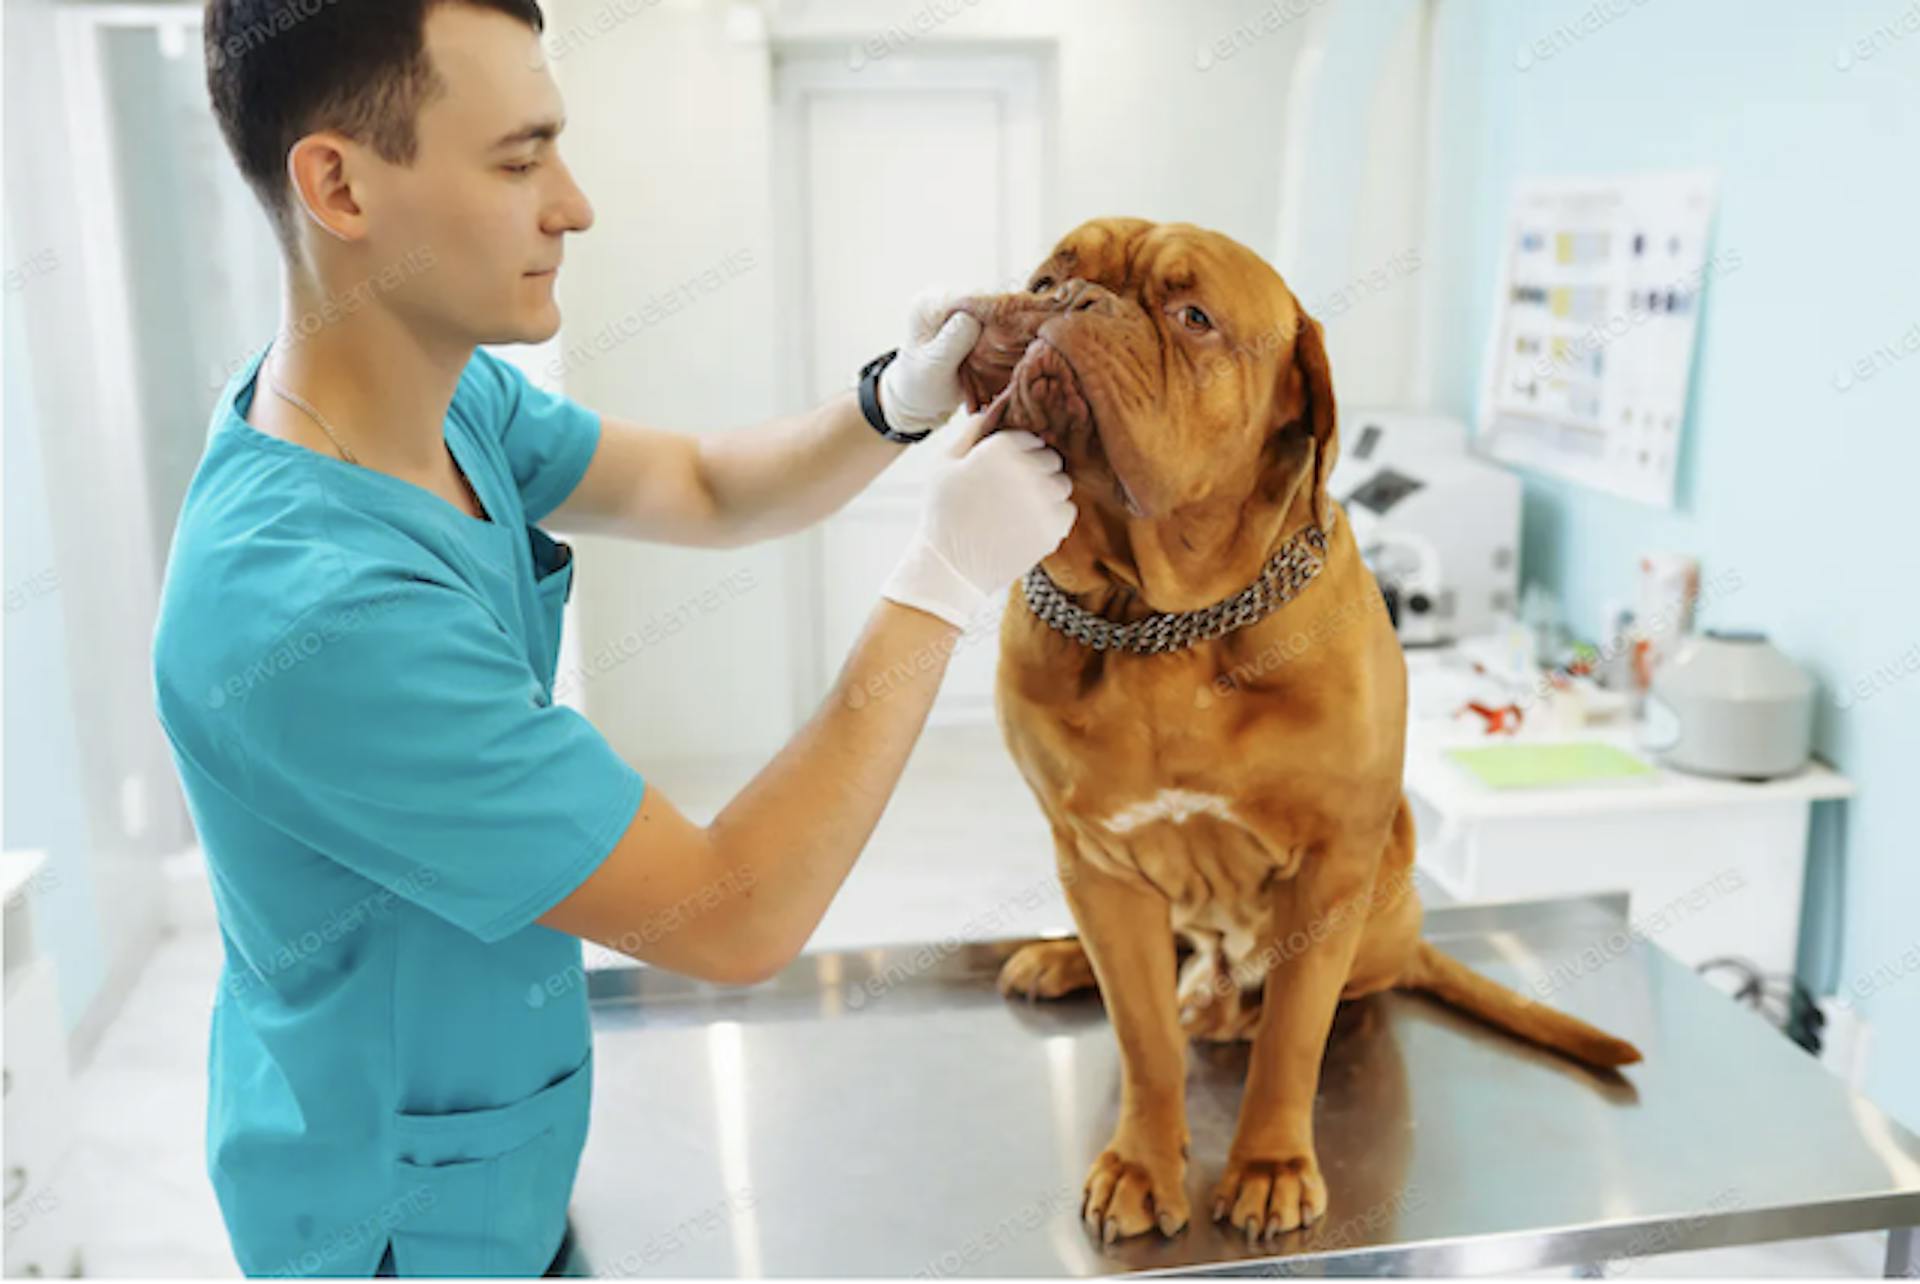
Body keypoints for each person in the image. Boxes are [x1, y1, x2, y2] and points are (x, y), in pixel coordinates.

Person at [153, 0, 1074, 1274]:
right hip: (396, 1229)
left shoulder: (432, 392)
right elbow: (731, 915)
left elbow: (699, 486)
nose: (574, 206)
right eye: (519, 159)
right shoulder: (313, 613)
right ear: (340, 186)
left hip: (485, 1143)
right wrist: (940, 582)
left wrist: (890, 403)